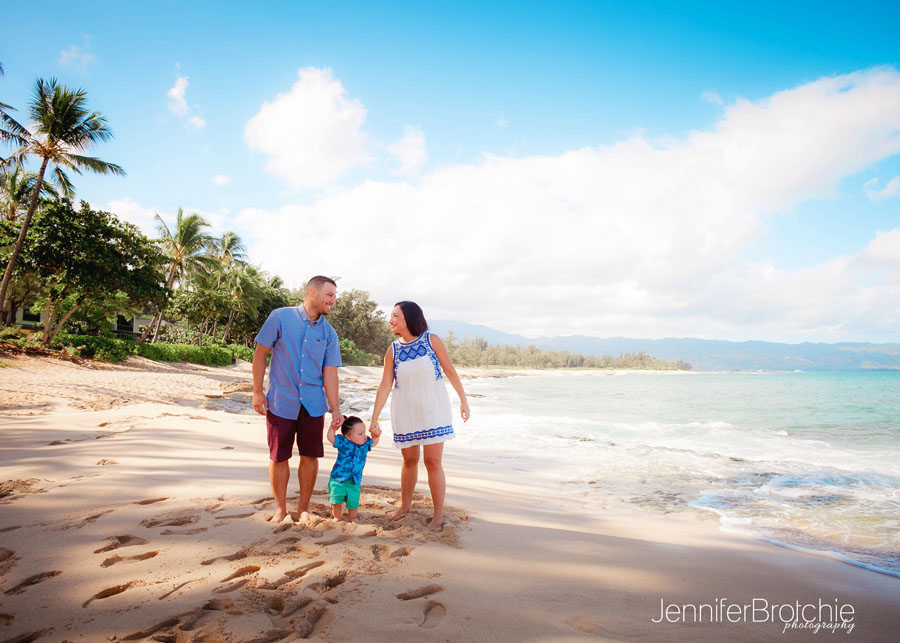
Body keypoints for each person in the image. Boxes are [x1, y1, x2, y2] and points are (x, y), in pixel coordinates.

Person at [370, 301, 470, 530]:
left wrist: (464, 400)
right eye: (391, 316)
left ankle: (438, 516)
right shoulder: (393, 350)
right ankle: (405, 506)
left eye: (395, 315)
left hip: (433, 410)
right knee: (409, 460)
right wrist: (374, 418)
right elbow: (385, 385)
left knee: (432, 462)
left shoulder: (431, 340)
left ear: (409, 318)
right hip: (406, 412)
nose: (391, 320)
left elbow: (450, 371)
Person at [252, 275, 344, 524]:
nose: (332, 301)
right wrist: (257, 391)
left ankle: (304, 507)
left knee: (310, 456)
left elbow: (330, 373)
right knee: (278, 456)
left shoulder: (329, 333)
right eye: (329, 295)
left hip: (313, 405)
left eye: (334, 296)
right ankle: (280, 508)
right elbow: (260, 353)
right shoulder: (280, 317)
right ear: (313, 292)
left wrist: (335, 409)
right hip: (280, 400)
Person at [326, 416, 380, 523]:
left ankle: (353, 517)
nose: (364, 436)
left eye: (364, 433)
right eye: (360, 434)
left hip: (354, 480)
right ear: (348, 436)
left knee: (353, 500)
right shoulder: (343, 442)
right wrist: (332, 428)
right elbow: (331, 438)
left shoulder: (365, 444)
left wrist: (376, 436)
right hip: (338, 478)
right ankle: (337, 517)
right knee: (336, 499)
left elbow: (374, 442)